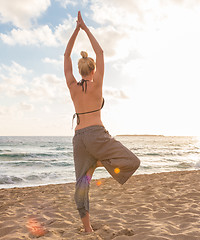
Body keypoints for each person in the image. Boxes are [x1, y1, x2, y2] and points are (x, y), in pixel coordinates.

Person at [64, 11, 140, 232]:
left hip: (79, 138)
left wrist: (75, 30)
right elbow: (100, 51)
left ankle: (88, 230)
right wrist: (85, 28)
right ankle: (99, 163)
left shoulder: (71, 86)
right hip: (96, 134)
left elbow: (66, 55)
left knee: (81, 186)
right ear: (93, 70)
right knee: (132, 161)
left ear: (79, 70)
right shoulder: (97, 85)